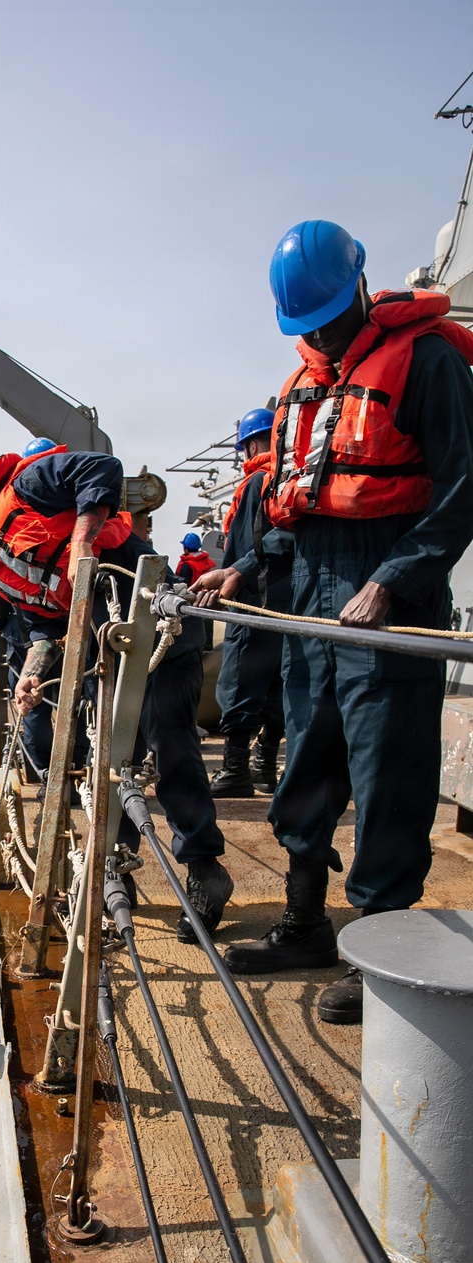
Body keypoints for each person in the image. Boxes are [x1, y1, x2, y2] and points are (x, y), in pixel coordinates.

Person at [193, 219, 473, 1022]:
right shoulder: (304, 388)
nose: (317, 331)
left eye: (325, 313)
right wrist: (248, 563)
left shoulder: (430, 361)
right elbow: (299, 505)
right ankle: (307, 923)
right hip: (310, 598)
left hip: (393, 595)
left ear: (357, 285)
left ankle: (379, 951)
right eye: (303, 322)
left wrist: (394, 578)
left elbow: (463, 490)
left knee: (389, 778)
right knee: (306, 766)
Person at [0, 438, 234, 941]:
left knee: (170, 748)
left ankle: (205, 871)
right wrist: (31, 674)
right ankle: (117, 871)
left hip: (157, 634)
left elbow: (102, 468)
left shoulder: (27, 486)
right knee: (109, 762)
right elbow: (41, 630)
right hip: (105, 654)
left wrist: (83, 541)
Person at [210, 407, 288, 797]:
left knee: (239, 679)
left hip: (255, 599)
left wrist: (232, 579)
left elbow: (246, 545)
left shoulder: (257, 482)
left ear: (253, 445)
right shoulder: (290, 480)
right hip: (288, 604)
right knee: (278, 683)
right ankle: (265, 767)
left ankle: (235, 769)